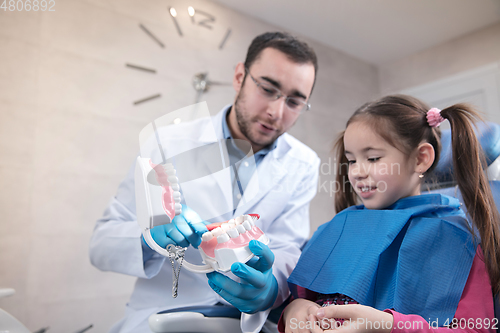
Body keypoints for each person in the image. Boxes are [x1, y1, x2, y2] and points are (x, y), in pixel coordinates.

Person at [89, 31, 320, 333]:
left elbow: (287, 248)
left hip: (244, 323)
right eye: (267, 88)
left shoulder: (304, 163)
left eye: (294, 101)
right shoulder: (167, 142)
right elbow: (101, 244)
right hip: (163, 314)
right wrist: (149, 239)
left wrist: (269, 290)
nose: (276, 112)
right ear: (239, 76)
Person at [280, 95, 500, 333]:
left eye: (373, 158)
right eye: (351, 160)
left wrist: (388, 326)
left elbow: (478, 329)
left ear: (420, 158)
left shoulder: (455, 240)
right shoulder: (340, 227)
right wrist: (294, 310)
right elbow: (301, 299)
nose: (356, 172)